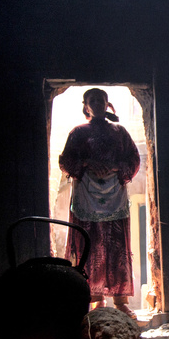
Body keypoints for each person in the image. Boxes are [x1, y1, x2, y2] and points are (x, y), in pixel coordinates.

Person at [59, 88, 140, 319]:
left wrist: (115, 168)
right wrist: (86, 163)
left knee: (116, 246)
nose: (96, 103)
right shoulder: (77, 133)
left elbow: (133, 159)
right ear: (86, 105)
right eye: (92, 100)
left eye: (100, 99)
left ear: (107, 103)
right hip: (87, 195)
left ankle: (121, 300)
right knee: (90, 245)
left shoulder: (120, 132)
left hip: (114, 195)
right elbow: (66, 160)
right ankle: (95, 299)